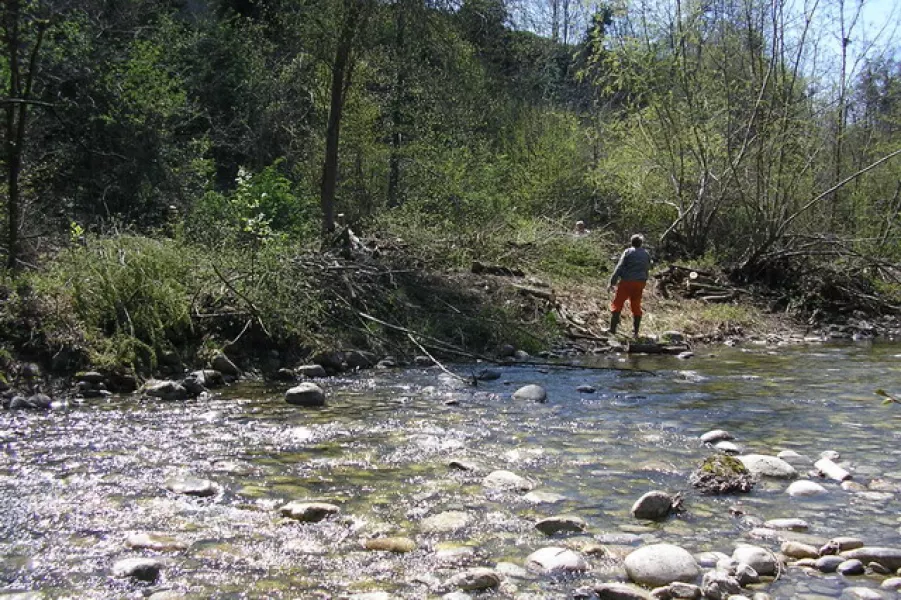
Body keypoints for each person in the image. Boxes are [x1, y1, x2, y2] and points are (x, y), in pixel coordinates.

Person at [607, 234, 651, 337]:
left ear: (631, 242)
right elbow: (647, 267)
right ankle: (635, 332)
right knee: (636, 305)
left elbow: (619, 267)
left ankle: (612, 330)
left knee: (617, 303)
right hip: (640, 282)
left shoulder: (627, 252)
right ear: (641, 243)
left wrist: (612, 282)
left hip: (627, 281)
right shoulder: (646, 254)